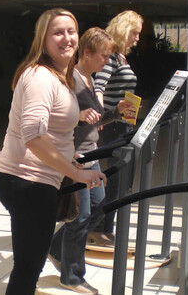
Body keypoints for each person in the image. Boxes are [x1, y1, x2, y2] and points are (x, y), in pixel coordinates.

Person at [0, 9, 106, 295]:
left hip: (35, 179)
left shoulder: (59, 76)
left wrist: (69, 156)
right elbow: (34, 137)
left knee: (29, 265)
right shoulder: (40, 78)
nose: (67, 38)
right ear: (43, 41)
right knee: (28, 268)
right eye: (58, 32)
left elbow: (53, 130)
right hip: (27, 181)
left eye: (71, 31)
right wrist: (76, 173)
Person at [48, 27, 133, 294]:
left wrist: (115, 112)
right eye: (104, 56)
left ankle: (56, 247)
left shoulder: (90, 78)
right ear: (86, 52)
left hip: (91, 153)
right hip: (75, 158)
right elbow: (55, 120)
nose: (107, 62)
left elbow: (94, 121)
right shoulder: (70, 79)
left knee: (98, 208)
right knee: (81, 216)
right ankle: (71, 276)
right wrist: (79, 116)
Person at [91, 10, 143, 245]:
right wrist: (101, 116)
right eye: (135, 33)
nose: (137, 38)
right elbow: (99, 86)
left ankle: (104, 226)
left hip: (122, 123)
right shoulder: (111, 56)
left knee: (121, 179)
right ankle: (99, 227)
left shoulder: (121, 57)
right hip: (112, 126)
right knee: (116, 178)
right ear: (124, 29)